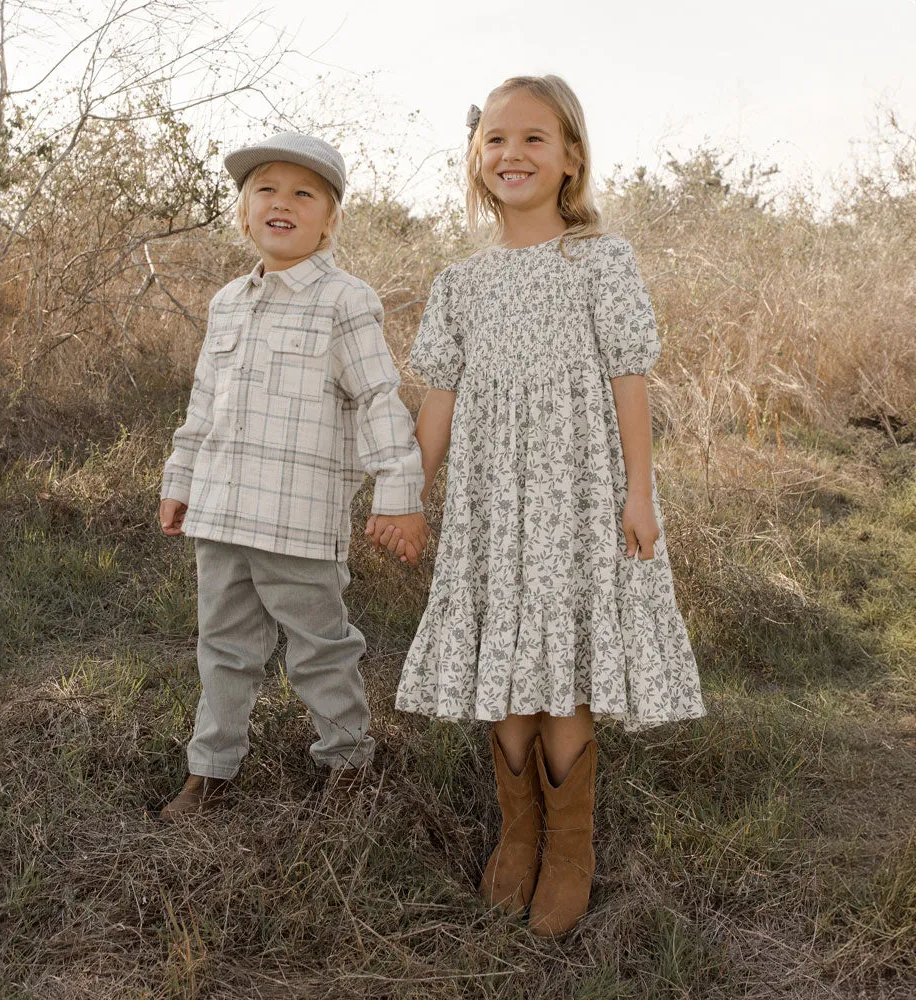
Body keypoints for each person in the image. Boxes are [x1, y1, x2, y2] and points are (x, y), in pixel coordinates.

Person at [370, 76, 705, 937]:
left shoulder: (599, 260)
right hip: (492, 502)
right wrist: (406, 494)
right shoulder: (460, 282)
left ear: (570, 159)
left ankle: (571, 847)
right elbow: (438, 401)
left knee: (564, 661)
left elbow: (630, 380)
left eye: (532, 139)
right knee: (507, 660)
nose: (511, 154)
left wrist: (640, 492)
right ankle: (518, 834)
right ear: (476, 160)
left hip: (579, 493)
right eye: (494, 140)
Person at [158, 132, 429, 820]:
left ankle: (347, 763)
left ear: (329, 219)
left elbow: (377, 398)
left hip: (298, 519)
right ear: (244, 211)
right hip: (220, 513)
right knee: (222, 645)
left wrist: (399, 495)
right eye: (265, 190)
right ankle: (211, 768)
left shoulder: (344, 299)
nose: (282, 202)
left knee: (319, 649)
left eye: (304, 193)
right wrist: (180, 478)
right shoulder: (228, 302)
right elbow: (202, 405)